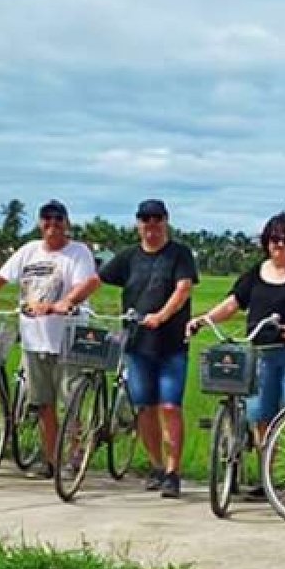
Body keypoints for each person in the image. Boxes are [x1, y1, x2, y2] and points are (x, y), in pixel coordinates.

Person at [187, 212, 285, 501]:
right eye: (275, 239)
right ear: (266, 242)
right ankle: (267, 476)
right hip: (262, 353)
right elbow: (233, 304)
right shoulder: (257, 272)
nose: (280, 245)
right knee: (260, 415)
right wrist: (203, 319)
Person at [98, 200, 198, 498]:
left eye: (156, 219)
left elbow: (183, 289)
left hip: (170, 344)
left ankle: (172, 470)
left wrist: (162, 315)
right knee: (144, 408)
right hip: (136, 345)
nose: (150, 225)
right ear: (137, 223)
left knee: (170, 406)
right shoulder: (128, 257)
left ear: (165, 221)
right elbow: (97, 278)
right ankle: (156, 466)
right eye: (145, 219)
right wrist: (69, 300)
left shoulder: (179, 254)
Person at [0, 200, 99, 477]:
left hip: (67, 339)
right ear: (39, 222)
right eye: (46, 219)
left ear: (66, 223)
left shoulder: (77, 252)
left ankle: (73, 457)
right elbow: (3, 277)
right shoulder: (28, 251)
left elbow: (87, 283)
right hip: (33, 339)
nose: (52, 225)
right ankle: (52, 459)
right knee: (42, 404)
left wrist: (66, 301)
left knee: (70, 404)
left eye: (58, 219)